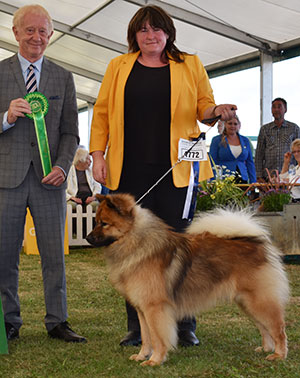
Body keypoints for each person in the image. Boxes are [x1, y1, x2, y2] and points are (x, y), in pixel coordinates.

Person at [89, 5, 236, 347]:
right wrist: (98, 155)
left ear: (168, 33)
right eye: (142, 31)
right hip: (129, 169)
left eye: (157, 30)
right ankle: (138, 328)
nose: (150, 36)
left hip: (177, 170)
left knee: (179, 246)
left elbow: (204, 106)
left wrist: (215, 111)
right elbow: (102, 113)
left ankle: (184, 326)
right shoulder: (118, 66)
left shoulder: (190, 64)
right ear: (134, 36)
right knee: (129, 247)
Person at [0, 5, 86, 343]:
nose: (37, 37)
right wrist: (6, 117)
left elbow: (70, 132)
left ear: (51, 35)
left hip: (51, 180)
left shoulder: (63, 77)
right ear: (16, 31)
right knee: (5, 254)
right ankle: (9, 321)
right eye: (30, 30)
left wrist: (63, 166)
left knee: (54, 255)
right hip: (7, 179)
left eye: (44, 31)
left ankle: (57, 321)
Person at [255, 97, 300, 181]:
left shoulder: (294, 128)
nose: (276, 109)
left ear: (285, 109)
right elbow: (259, 154)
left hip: (290, 177)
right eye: (274, 107)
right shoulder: (265, 129)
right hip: (268, 176)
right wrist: (259, 176)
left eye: (279, 107)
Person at [209, 115, 256, 183]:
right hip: (224, 179)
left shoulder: (245, 140)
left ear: (239, 125)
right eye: (230, 123)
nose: (232, 126)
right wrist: (212, 180)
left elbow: (250, 162)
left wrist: (253, 181)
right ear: (225, 124)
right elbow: (212, 162)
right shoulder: (216, 140)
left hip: (243, 179)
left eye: (235, 124)